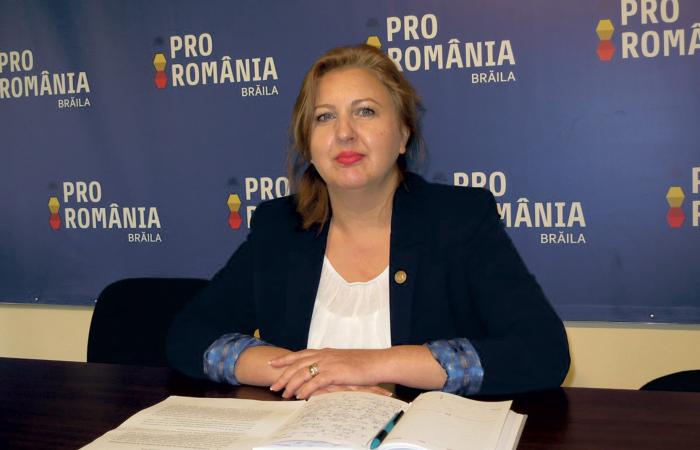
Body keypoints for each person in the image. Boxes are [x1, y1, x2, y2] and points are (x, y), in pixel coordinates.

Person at [167, 44, 570, 399]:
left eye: (365, 111)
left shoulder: (459, 220)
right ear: (308, 144)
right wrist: (308, 372)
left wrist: (369, 364)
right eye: (324, 117)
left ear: (403, 134)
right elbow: (189, 335)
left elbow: (542, 351)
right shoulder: (280, 227)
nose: (344, 133)